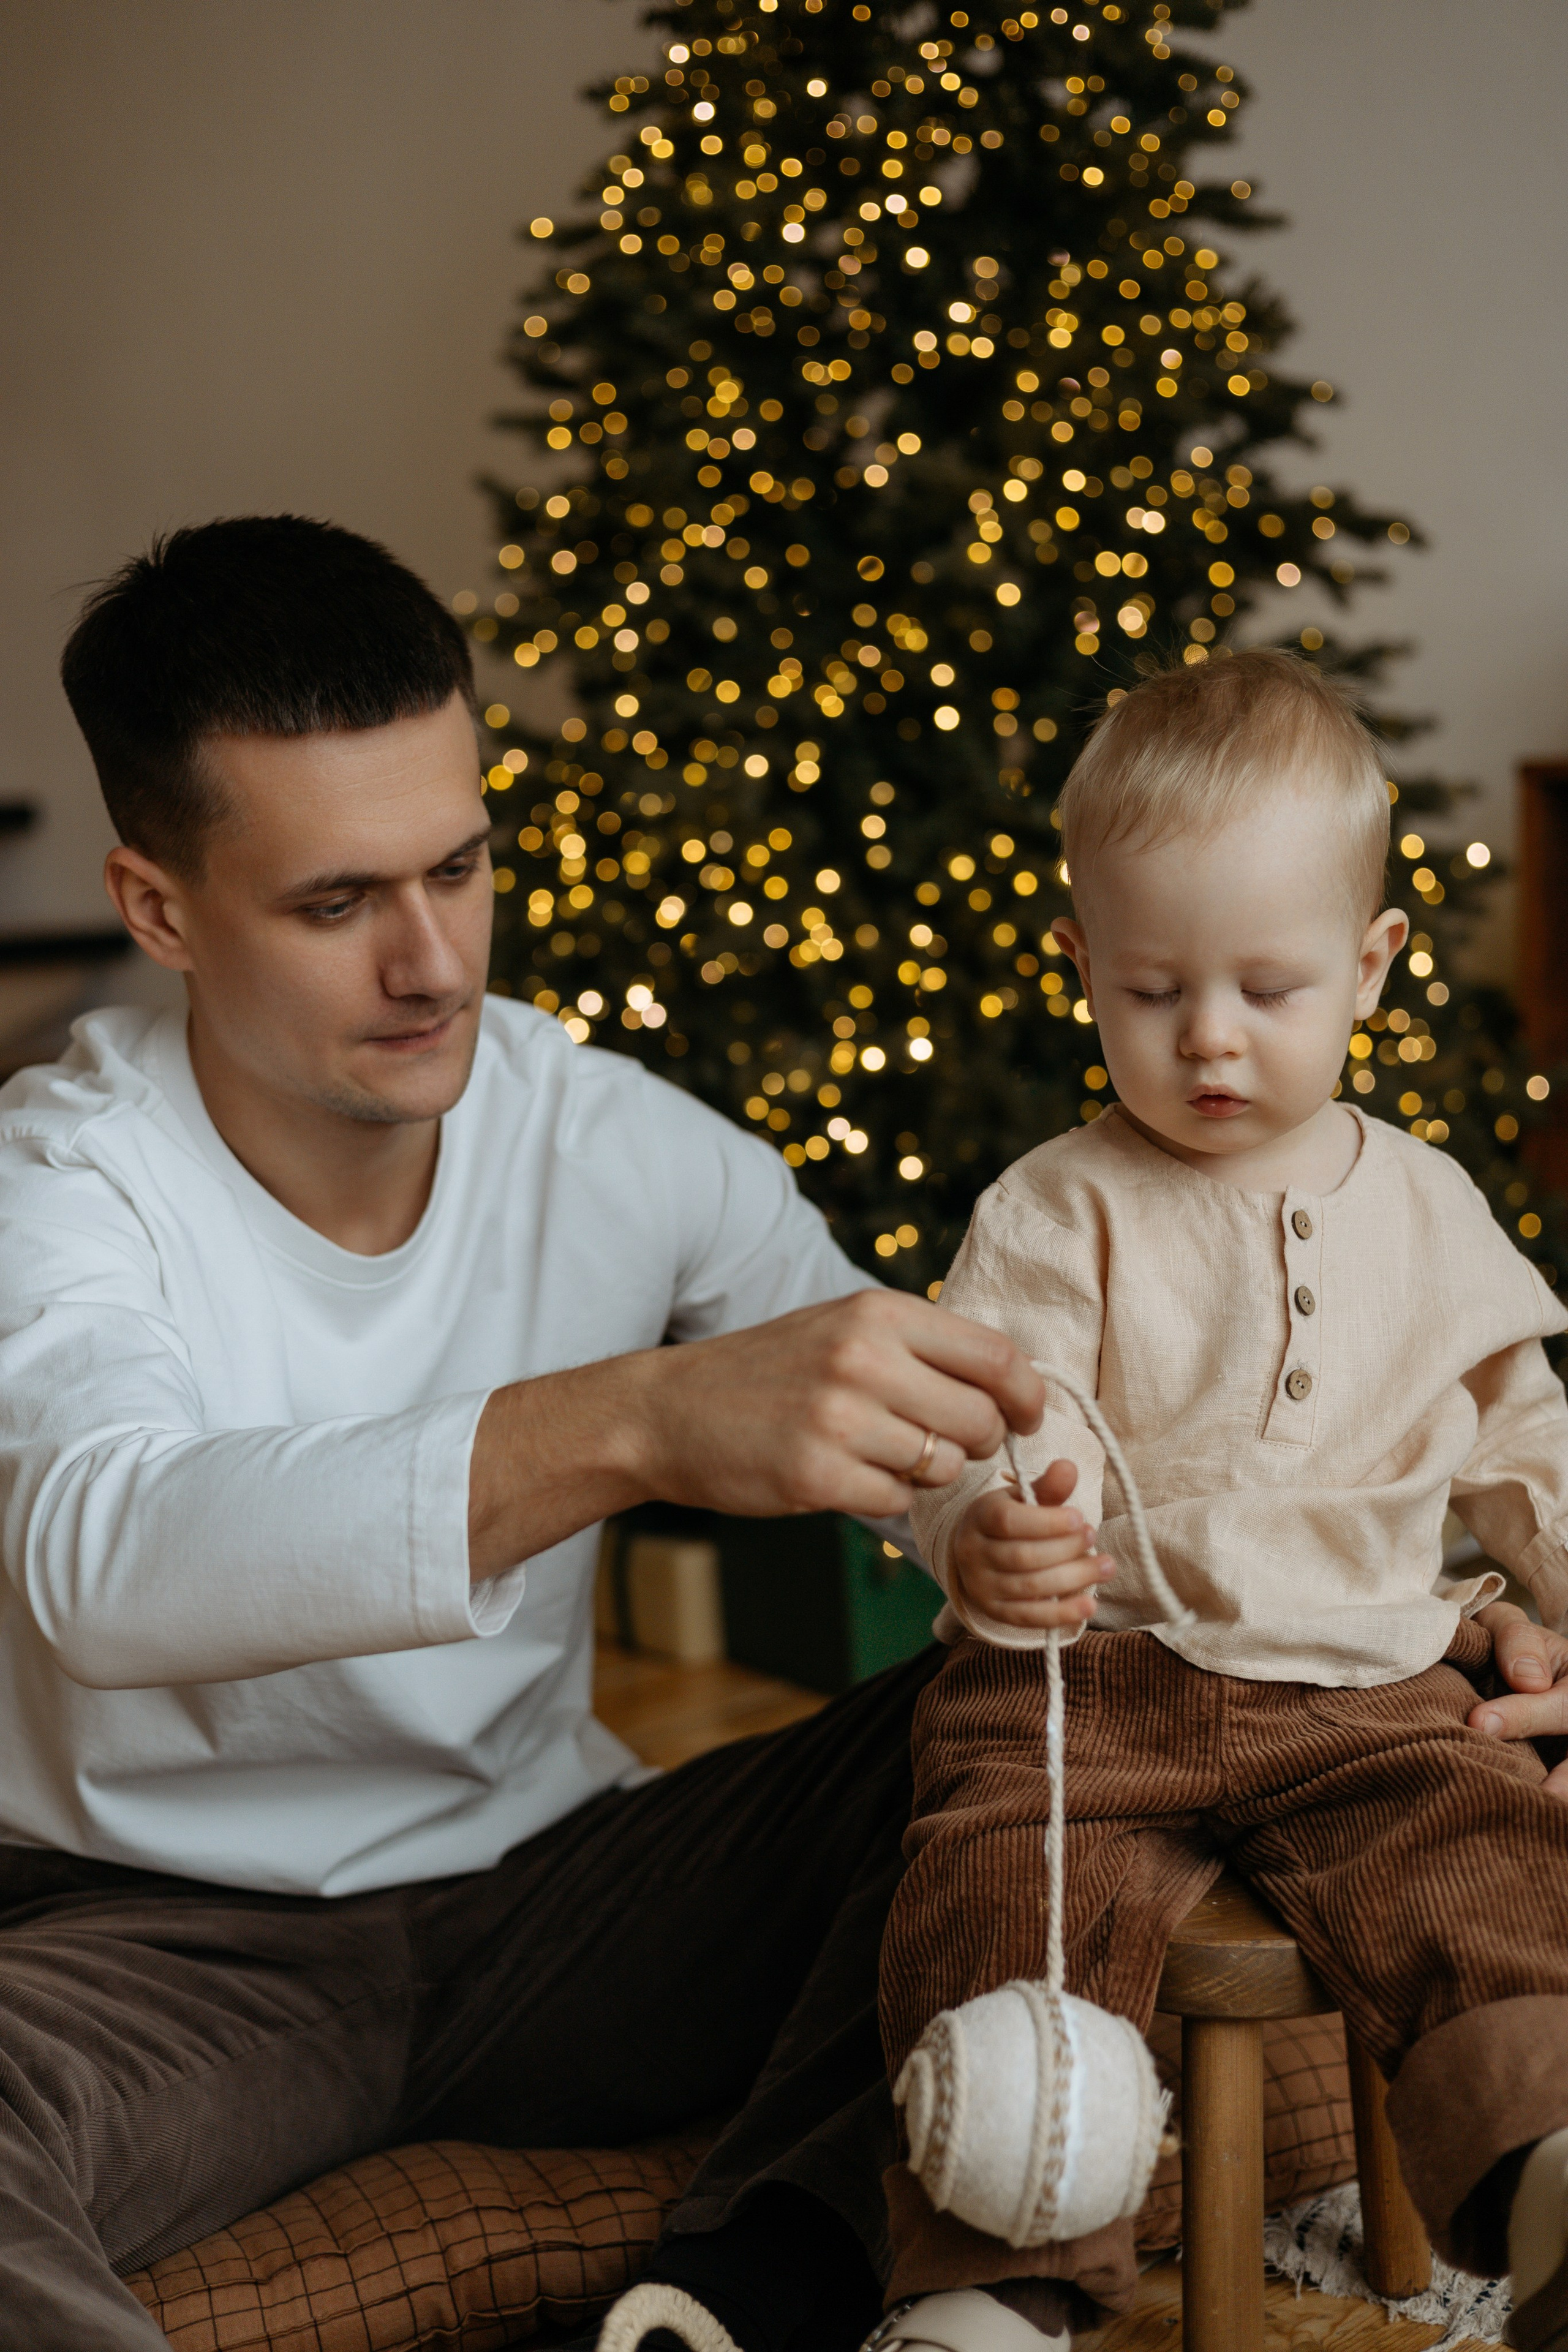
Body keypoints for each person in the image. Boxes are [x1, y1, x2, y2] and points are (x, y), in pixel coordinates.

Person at [0, 514, 1054, 2352]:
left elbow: (955, 1436)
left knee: (1040, 1715)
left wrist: (1366, 1598)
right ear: (158, 908)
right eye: (338, 904)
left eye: (461, 868)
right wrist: (636, 1418)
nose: (433, 964)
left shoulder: (608, 1134)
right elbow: (105, 1559)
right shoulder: (60, 1182)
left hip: (558, 1897)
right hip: (166, 1942)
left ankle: (757, 2289)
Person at [870, 651, 1568, 2352]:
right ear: (1080, 965)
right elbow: (952, 1426)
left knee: (1491, 1866)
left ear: (1374, 966)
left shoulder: (1426, 1204)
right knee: (992, 1906)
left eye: (1269, 987)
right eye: (1154, 989)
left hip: (1373, 1688)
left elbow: (1525, 1439)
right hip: (1093, 1697)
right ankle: (990, 2286)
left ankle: (1550, 2174)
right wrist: (978, 1527)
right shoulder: (1057, 1208)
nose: (1210, 1041)